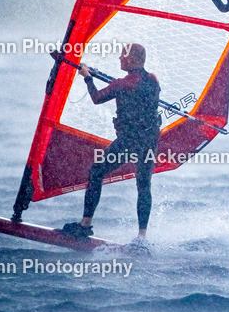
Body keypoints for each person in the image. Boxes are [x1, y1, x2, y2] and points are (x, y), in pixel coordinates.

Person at [61, 43, 161, 240]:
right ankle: (142, 237)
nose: (119, 59)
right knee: (144, 185)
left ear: (132, 60)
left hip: (129, 142)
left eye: (122, 56)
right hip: (149, 140)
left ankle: (85, 225)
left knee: (97, 171)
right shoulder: (153, 80)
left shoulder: (122, 84)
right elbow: (134, 89)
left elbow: (97, 98)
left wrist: (88, 78)